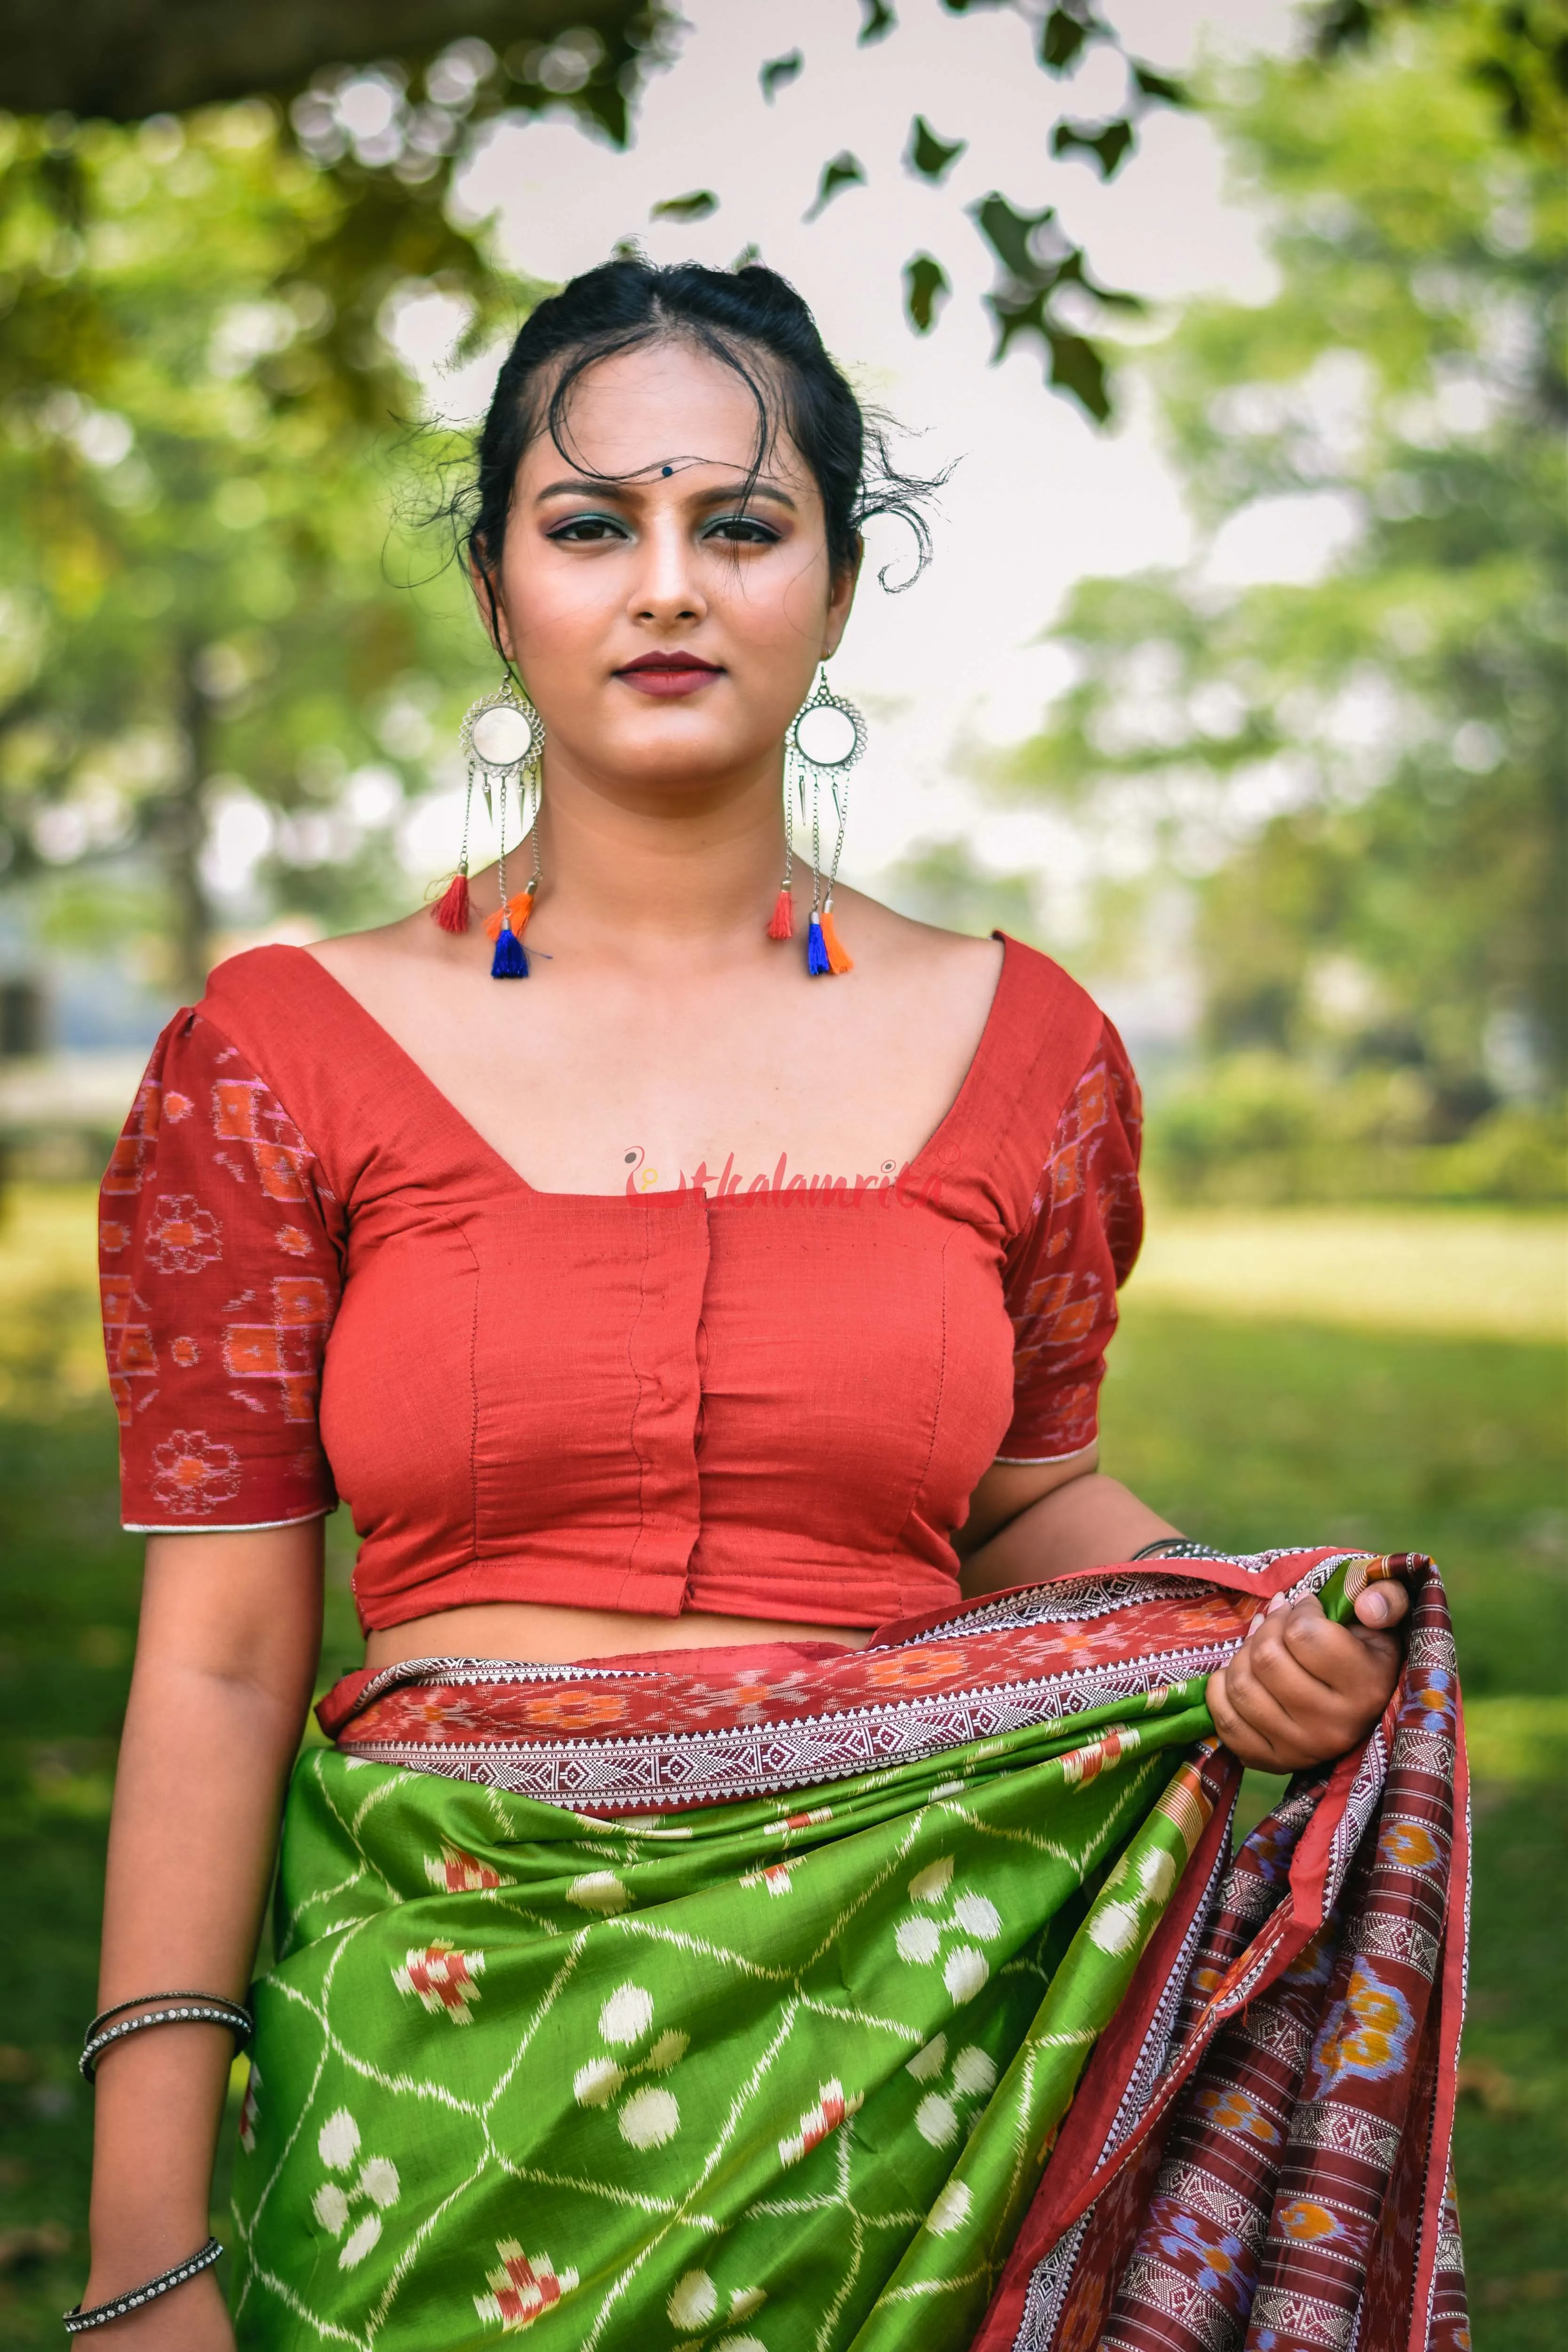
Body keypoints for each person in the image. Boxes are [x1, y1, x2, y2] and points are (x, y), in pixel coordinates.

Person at [80, 261, 1428, 2352]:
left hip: (897, 2049)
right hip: (433, 2060)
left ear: (837, 582)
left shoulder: (1027, 1044)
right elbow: (223, 1667)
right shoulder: (276, 1056)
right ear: (493, 585)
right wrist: (143, 2242)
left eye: (739, 522)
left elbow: (1025, 1497)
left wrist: (1250, 1623)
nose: (665, 587)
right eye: (590, 521)